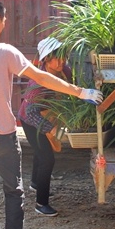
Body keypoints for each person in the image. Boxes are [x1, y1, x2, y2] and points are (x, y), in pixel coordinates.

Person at [0, 0, 103, 229]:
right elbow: (41, 76)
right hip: (0, 133)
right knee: (13, 189)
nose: (5, 23)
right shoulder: (5, 52)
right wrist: (81, 92)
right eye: (4, 18)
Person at [17, 37, 70, 217]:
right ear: (46, 59)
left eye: (63, 57)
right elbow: (31, 113)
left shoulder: (65, 71)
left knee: (41, 153)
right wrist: (51, 129)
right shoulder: (38, 82)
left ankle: (35, 183)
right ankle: (41, 203)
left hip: (46, 115)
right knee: (47, 158)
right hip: (31, 121)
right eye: (56, 58)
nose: (61, 62)